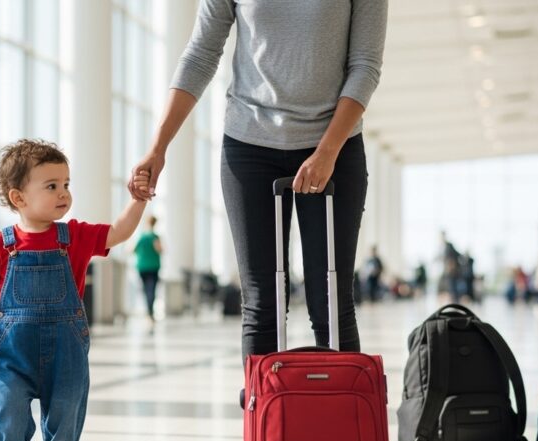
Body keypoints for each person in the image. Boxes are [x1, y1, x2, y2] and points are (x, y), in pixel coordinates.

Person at [128, 1, 387, 361]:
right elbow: (200, 54)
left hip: (334, 145)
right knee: (262, 301)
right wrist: (159, 147)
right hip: (249, 143)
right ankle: (263, 413)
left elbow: (365, 66)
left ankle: (338, 414)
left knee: (330, 299)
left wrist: (327, 153)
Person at [0, 139, 149, 441]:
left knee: (67, 403)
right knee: (9, 402)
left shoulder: (73, 236)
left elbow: (119, 232)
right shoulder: (2, 243)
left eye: (66, 184)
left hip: (67, 349)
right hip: (14, 350)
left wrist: (137, 200)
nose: (64, 193)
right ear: (18, 198)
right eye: (51, 186)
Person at [134, 216, 163, 327]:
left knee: (146, 290)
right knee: (151, 290)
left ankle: (148, 313)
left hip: (141, 267)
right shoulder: (154, 237)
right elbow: (160, 250)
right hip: (153, 267)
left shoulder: (141, 237)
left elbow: (133, 250)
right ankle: (150, 314)